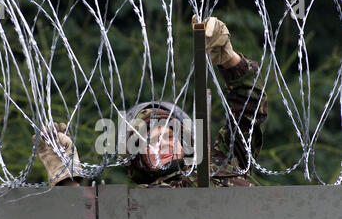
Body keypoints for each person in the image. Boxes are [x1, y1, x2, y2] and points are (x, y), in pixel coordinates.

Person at [33, 16, 268, 188]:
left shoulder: (224, 160)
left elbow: (249, 107)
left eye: (168, 135)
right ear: (137, 158)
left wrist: (229, 59)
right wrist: (64, 174)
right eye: (149, 141)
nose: (162, 143)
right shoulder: (137, 205)